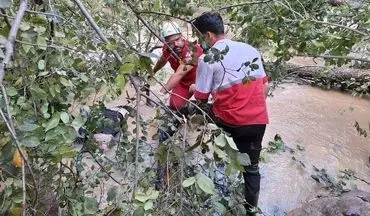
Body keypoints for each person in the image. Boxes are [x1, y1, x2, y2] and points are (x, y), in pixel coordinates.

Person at [192, 12, 270, 215]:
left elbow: (201, 98)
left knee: (222, 152)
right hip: (258, 120)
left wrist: (192, 87)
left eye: (200, 37)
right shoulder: (250, 49)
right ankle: (251, 209)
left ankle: (221, 190)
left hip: (229, 121)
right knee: (252, 168)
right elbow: (265, 86)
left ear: (207, 35)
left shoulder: (207, 58)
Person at [152, 22, 203, 114]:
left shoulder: (193, 51)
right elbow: (162, 60)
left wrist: (161, 93)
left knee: (202, 102)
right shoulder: (167, 49)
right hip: (183, 82)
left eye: (177, 39)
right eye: (170, 43)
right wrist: (153, 71)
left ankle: (198, 102)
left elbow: (179, 73)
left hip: (200, 81)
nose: (175, 44)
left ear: (181, 35)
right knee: (175, 105)